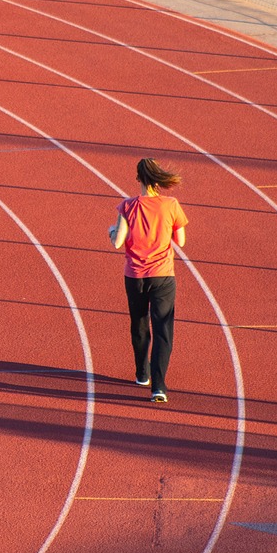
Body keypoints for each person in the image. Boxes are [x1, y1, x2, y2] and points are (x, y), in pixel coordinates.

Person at [108, 157, 188, 402]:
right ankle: (159, 387)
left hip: (135, 276)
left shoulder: (127, 206)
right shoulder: (171, 204)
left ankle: (142, 373)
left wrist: (112, 230)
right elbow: (181, 241)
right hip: (163, 275)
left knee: (139, 323)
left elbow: (117, 241)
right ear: (158, 178)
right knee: (163, 329)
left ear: (138, 179)